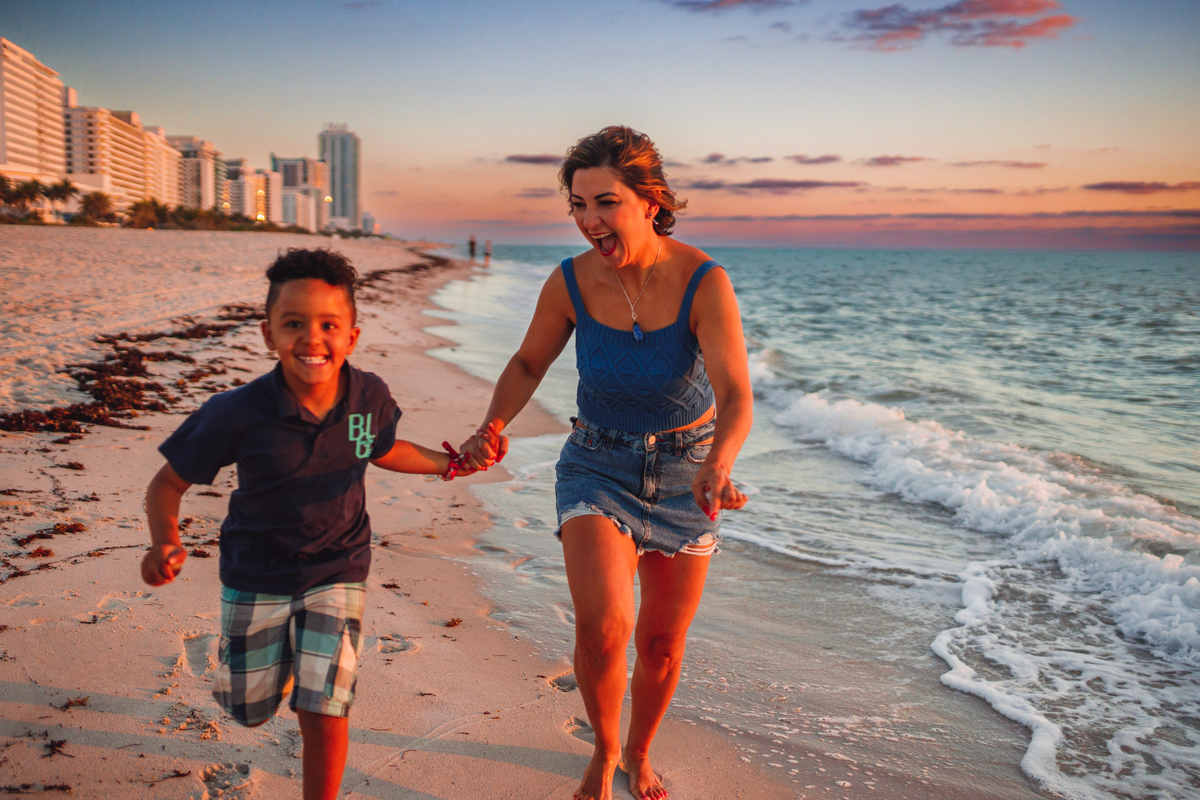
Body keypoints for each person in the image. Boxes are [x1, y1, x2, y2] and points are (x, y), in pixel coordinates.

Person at [141, 248, 500, 800]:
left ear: (352, 336)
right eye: (294, 324)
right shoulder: (237, 412)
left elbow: (382, 450)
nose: (312, 338)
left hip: (339, 568)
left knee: (324, 704)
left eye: (329, 325)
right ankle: (271, 667)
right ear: (268, 335)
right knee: (249, 708)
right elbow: (167, 485)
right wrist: (164, 542)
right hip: (256, 572)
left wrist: (452, 462)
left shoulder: (367, 398)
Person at [459, 126, 752, 800]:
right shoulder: (569, 282)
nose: (589, 221)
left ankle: (639, 754)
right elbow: (530, 361)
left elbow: (737, 393)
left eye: (605, 202)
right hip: (596, 464)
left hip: (688, 474)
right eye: (578, 205)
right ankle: (605, 746)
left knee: (660, 648)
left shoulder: (703, 281)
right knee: (603, 631)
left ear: (650, 201)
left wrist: (719, 464)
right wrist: (492, 425)